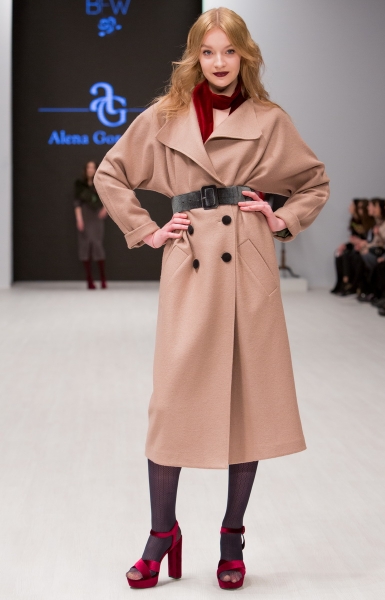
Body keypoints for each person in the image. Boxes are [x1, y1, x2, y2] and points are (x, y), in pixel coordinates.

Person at [94, 7, 330, 590]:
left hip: (247, 265)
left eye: (229, 51)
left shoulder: (269, 119)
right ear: (194, 57)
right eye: (208, 52)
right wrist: (148, 231)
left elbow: (314, 182)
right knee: (171, 403)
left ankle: (232, 536)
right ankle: (162, 532)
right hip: (191, 262)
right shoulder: (165, 117)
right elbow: (111, 173)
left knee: (247, 404)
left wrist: (280, 219)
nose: (219, 63)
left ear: (244, 55)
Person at [74, 161, 108, 289]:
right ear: (85, 169)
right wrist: (79, 219)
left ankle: (103, 279)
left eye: (93, 167)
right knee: (85, 246)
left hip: (96, 216)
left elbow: (108, 197)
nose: (91, 169)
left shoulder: (100, 183)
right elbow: (77, 203)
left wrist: (105, 209)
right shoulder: (80, 184)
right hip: (85, 216)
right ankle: (89, 279)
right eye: (89, 167)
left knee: (97, 245)